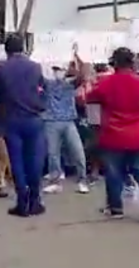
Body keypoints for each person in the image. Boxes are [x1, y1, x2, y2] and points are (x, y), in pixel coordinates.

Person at [83, 47, 139, 224]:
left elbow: (87, 99)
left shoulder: (106, 83)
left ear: (115, 63)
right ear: (132, 62)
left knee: (113, 173)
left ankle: (116, 207)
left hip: (113, 135)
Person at [0, 34, 46, 217]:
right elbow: (43, 90)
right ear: (23, 48)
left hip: (11, 119)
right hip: (33, 118)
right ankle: (35, 200)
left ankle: (22, 201)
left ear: (6, 49)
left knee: (17, 161)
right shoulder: (35, 67)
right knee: (34, 160)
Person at [42, 65, 90, 194]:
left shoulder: (70, 84)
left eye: (60, 70)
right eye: (55, 70)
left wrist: (77, 58)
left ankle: (82, 180)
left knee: (78, 152)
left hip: (68, 121)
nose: (58, 72)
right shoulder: (48, 84)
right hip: (51, 121)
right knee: (53, 154)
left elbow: (83, 74)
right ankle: (55, 182)